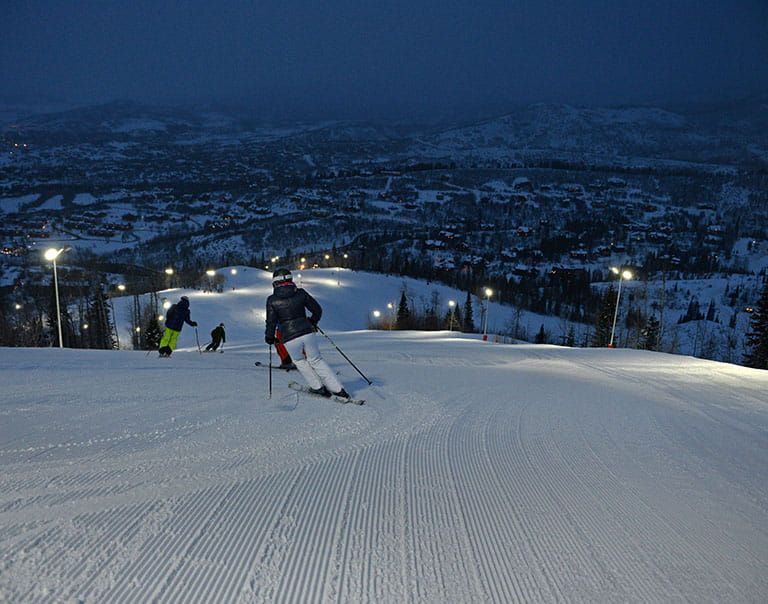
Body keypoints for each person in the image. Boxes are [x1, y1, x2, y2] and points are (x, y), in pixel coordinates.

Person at [265, 268, 349, 398]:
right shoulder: (301, 293)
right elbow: (317, 310)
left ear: (274, 283)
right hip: (307, 331)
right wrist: (313, 321)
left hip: (289, 336)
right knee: (316, 360)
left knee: (299, 360)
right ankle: (338, 390)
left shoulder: (272, 300)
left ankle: (318, 387)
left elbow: (271, 322)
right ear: (290, 279)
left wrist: (269, 337)